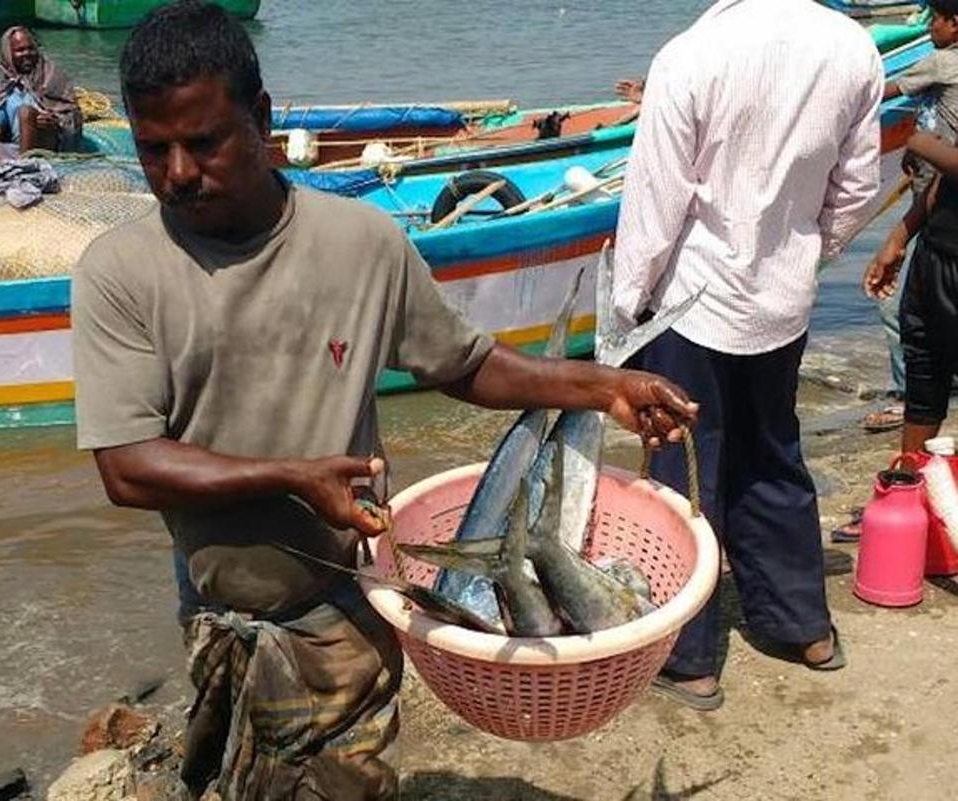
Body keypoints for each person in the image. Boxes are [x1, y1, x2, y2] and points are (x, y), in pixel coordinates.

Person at [72, 3, 699, 798]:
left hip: (347, 589)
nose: (179, 173)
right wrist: (292, 476)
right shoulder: (119, 271)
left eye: (203, 142)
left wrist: (605, 386)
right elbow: (127, 468)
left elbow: (465, 365)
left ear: (261, 119)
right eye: (152, 149)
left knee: (353, 781)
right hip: (217, 604)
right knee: (234, 779)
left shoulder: (360, 243)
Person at [613, 0, 884, 711]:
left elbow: (654, 204)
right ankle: (804, 627)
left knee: (684, 473)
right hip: (781, 303)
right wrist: (805, 255)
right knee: (773, 454)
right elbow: (857, 189)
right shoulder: (854, 48)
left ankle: (691, 658)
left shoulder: (689, 56)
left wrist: (627, 308)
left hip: (690, 306)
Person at [863, 0, 958, 434]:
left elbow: (885, 92)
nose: (930, 26)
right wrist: (898, 238)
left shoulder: (943, 63)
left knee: (909, 326)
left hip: (943, 229)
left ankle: (909, 396)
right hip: (937, 218)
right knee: (917, 330)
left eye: (935, 19)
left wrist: (919, 144)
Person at [865, 131, 958, 456]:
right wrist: (899, 237)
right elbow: (942, 182)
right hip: (934, 257)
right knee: (924, 372)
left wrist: (919, 142)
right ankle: (909, 484)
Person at [0, 26, 83, 168]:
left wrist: (55, 122)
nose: (27, 54)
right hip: (19, 148)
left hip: (50, 143)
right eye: (20, 50)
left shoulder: (51, 77)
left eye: (30, 48)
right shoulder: (7, 89)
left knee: (25, 111)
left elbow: (72, 114)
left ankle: (24, 168)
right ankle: (21, 162)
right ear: (8, 54)